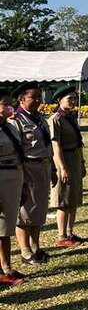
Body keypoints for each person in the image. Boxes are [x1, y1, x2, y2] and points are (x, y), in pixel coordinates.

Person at [14, 83, 53, 265]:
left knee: (39, 209)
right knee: (24, 212)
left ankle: (36, 246)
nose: (38, 100)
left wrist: (53, 169)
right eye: (33, 97)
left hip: (43, 167)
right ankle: (25, 251)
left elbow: (47, 145)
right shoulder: (16, 120)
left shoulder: (40, 118)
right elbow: (15, 150)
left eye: (39, 97)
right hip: (27, 168)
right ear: (22, 99)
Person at [49, 85, 86, 247]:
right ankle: (62, 236)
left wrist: (82, 162)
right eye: (69, 98)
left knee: (74, 199)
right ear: (59, 100)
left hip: (74, 158)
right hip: (64, 160)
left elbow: (78, 142)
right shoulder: (55, 119)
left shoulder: (70, 117)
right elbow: (55, 146)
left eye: (74, 98)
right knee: (64, 200)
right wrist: (62, 168)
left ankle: (70, 233)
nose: (73, 101)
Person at [0, 93, 26, 286]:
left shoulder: (10, 127)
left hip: (13, 178)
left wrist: (23, 184)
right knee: (1, 227)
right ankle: (3, 270)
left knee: (6, 226)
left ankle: (6, 267)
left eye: (10, 104)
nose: (9, 108)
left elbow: (19, 154)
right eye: (4, 104)